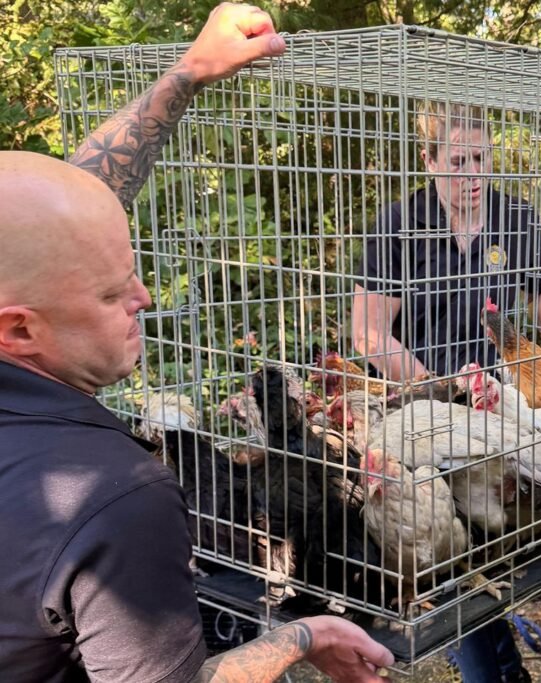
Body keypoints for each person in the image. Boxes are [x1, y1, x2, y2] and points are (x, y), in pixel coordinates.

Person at [0, 6, 393, 683]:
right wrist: (303, 634)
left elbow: (53, 222)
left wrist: (187, 75)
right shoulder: (114, 496)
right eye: (110, 293)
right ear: (20, 328)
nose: (144, 297)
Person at [352, 100, 541, 682]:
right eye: (456, 161)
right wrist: (429, 387)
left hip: (502, 414)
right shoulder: (398, 225)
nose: (471, 175)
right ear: (427, 160)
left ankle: (500, 668)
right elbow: (369, 332)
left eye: (481, 159)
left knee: (500, 556)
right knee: (455, 568)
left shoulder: (517, 221)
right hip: (425, 420)